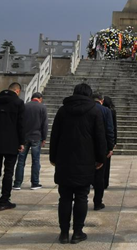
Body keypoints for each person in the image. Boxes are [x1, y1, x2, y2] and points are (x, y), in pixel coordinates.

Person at [50, 83, 107, 244]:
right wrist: (100, 159)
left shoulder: (63, 111)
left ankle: (63, 233)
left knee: (65, 198)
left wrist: (53, 157)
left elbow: (55, 136)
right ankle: (77, 232)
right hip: (86, 161)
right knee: (82, 197)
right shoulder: (95, 111)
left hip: (64, 161)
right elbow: (99, 138)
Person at [0, 82, 25, 211]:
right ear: (17, 91)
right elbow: (21, 124)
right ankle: (4, 201)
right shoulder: (18, 103)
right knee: (8, 173)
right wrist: (22, 142)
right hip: (12, 142)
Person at [13, 92, 48, 190]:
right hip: (36, 137)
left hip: (24, 137)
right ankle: (35, 183)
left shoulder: (24, 106)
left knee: (20, 161)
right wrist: (44, 138)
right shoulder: (42, 108)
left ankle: (17, 183)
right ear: (40, 98)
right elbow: (44, 125)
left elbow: (19, 122)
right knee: (36, 160)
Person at [92, 92, 114, 211]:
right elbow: (110, 130)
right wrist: (110, 147)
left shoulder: (88, 109)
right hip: (102, 146)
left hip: (87, 146)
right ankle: (97, 202)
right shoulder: (106, 111)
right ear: (102, 100)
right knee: (100, 176)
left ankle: (82, 198)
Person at [103, 96, 117, 189]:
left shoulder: (100, 110)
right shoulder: (112, 111)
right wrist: (114, 141)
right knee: (107, 163)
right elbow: (113, 127)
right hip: (108, 139)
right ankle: (105, 182)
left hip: (101, 138)